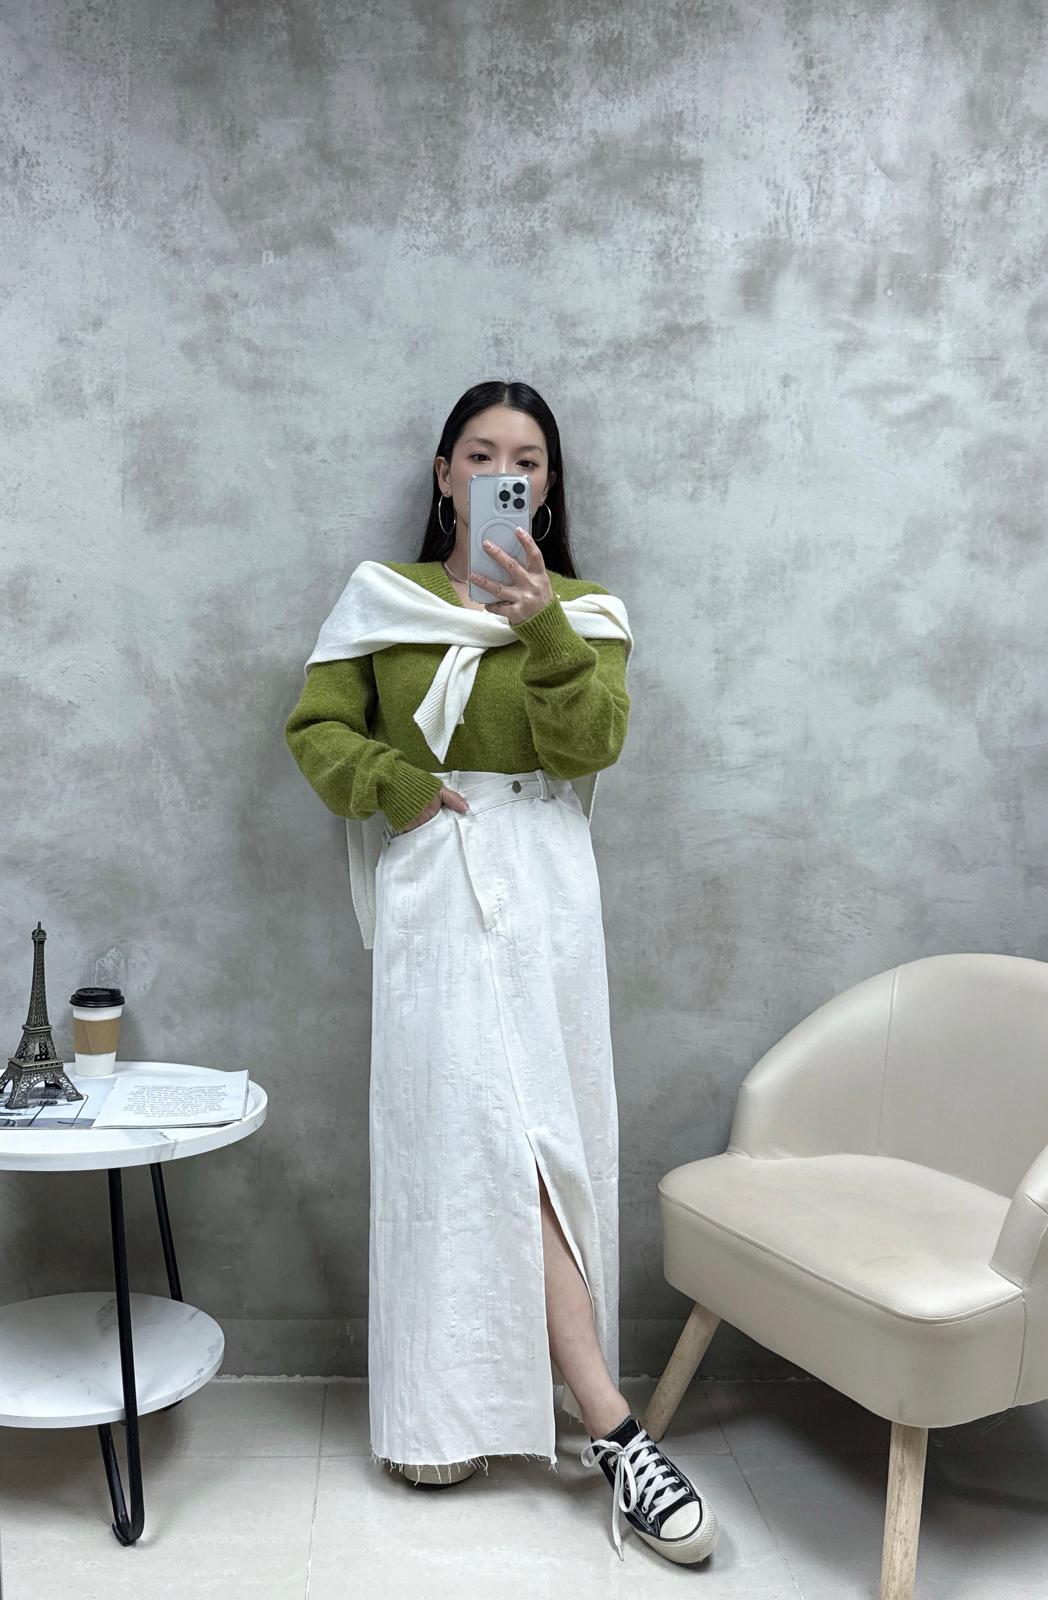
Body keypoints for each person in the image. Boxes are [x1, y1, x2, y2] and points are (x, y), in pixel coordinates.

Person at [284, 379, 719, 1565]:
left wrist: (541, 628)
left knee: (542, 1134)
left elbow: (590, 746)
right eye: (478, 454)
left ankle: (575, 1418)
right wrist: (400, 789)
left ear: (549, 483)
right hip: (437, 875)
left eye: (523, 458)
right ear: (444, 475)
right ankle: (564, 1422)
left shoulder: (587, 612)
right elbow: (318, 730)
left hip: (548, 885)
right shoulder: (382, 599)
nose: (500, 472)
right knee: (461, 1135)